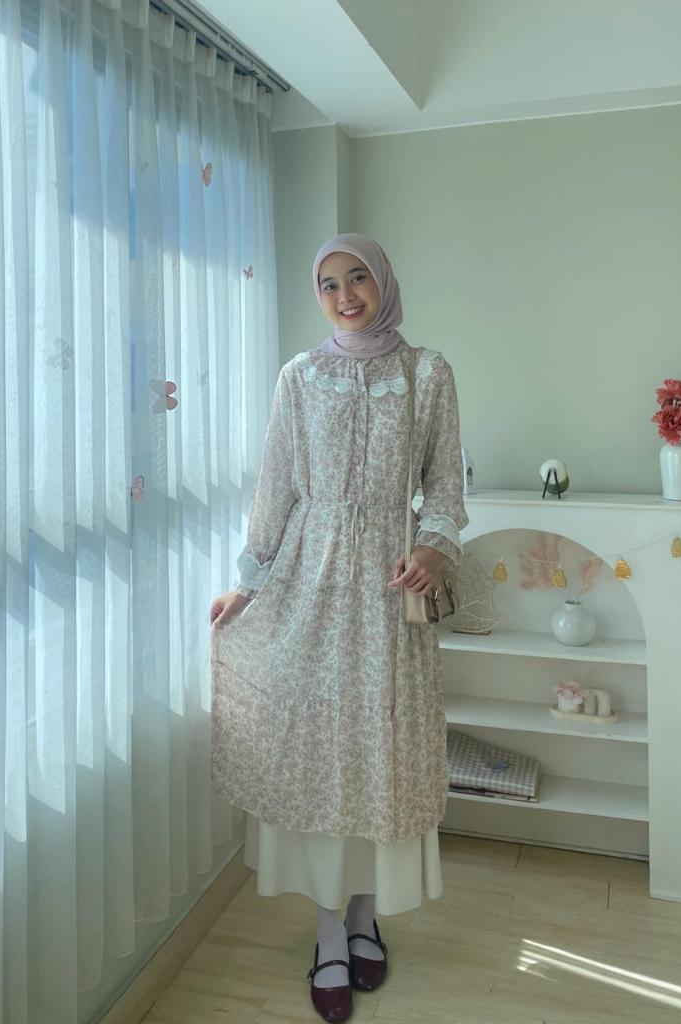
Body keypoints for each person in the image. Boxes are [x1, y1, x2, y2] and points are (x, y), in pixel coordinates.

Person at [209, 233, 468, 1023]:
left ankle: (364, 917)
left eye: (358, 278)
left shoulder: (428, 373)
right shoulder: (300, 375)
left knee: (376, 755)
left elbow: (445, 488)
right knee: (318, 755)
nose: (345, 294)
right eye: (329, 284)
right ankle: (328, 930)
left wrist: (434, 544)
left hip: (388, 597)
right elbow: (276, 488)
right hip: (308, 587)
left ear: (384, 282)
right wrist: (247, 584)